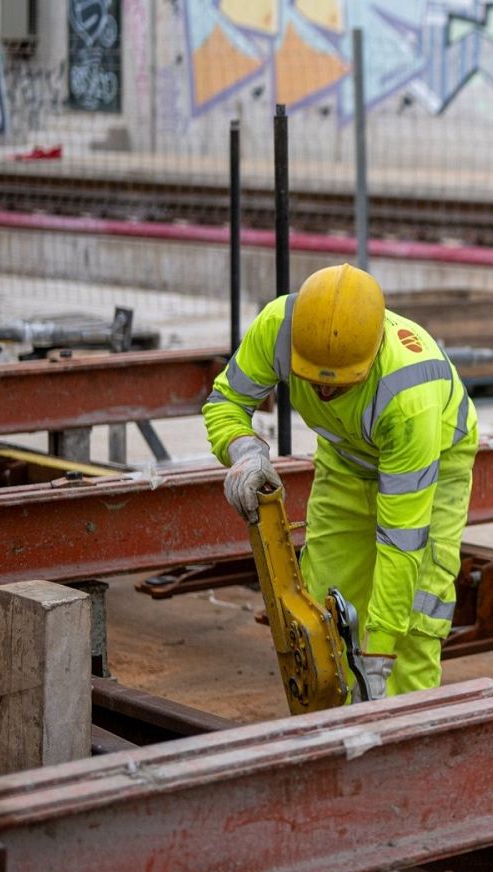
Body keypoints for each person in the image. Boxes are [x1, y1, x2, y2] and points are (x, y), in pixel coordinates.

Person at [203, 263, 478, 701]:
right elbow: (226, 400)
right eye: (315, 381)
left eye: (340, 385)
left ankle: (405, 725)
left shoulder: (408, 398)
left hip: (433, 464)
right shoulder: (280, 328)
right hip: (346, 457)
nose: (325, 394)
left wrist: (380, 655)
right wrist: (244, 450)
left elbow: (401, 542)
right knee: (323, 615)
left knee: (415, 614)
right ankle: (331, 726)